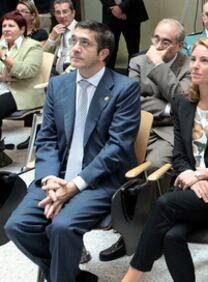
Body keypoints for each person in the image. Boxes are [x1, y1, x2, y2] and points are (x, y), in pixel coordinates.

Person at [5, 20, 141, 282]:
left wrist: (75, 185)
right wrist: (49, 179)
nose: (74, 48)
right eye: (73, 41)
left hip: (98, 181)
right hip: (58, 176)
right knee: (16, 226)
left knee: (62, 228)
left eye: (84, 43)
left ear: (103, 54)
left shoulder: (124, 89)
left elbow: (117, 148)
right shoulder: (59, 85)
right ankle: (73, 277)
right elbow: (47, 139)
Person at [121, 37, 208, 282]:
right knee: (172, 236)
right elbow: (180, 155)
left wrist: (203, 174)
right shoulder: (183, 102)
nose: (195, 65)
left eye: (204, 61)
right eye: (193, 59)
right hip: (193, 192)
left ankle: (131, 277)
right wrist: (193, 181)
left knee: (164, 204)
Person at [98, 18, 191, 262]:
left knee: (154, 167)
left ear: (179, 46)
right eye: (156, 39)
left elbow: (183, 103)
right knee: (115, 161)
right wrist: (167, 107)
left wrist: (160, 66)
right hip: (137, 127)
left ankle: (145, 231)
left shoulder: (189, 66)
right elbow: (131, 100)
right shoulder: (138, 61)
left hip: (170, 132)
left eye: (166, 42)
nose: (158, 45)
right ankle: (125, 224)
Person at [0, 11, 43, 168]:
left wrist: (4, 58)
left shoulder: (33, 46)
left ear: (22, 29)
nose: (6, 29)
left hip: (22, 92)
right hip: (3, 86)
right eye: (4, 26)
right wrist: (3, 78)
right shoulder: (2, 45)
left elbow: (27, 71)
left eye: (11, 25)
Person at [100, 0, 148, 69]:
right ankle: (108, 77)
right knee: (109, 50)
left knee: (133, 50)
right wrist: (114, 7)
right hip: (110, 13)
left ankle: (132, 77)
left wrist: (121, 8)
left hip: (132, 12)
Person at [43, 0, 77, 75]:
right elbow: (43, 56)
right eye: (58, 13)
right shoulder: (56, 31)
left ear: (73, 13)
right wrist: (52, 38)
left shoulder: (81, 30)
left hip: (73, 70)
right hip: (54, 70)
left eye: (65, 12)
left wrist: (65, 75)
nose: (61, 16)